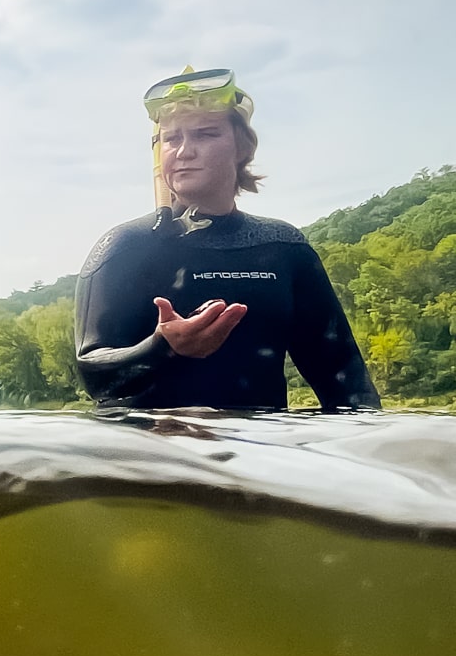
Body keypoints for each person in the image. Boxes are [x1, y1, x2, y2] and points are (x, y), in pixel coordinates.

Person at [74, 69, 380, 411]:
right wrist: (163, 347)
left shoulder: (284, 248)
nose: (184, 151)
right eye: (172, 138)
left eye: (205, 134)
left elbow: (345, 381)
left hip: (256, 457)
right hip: (154, 458)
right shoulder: (126, 247)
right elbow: (94, 376)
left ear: (242, 147)